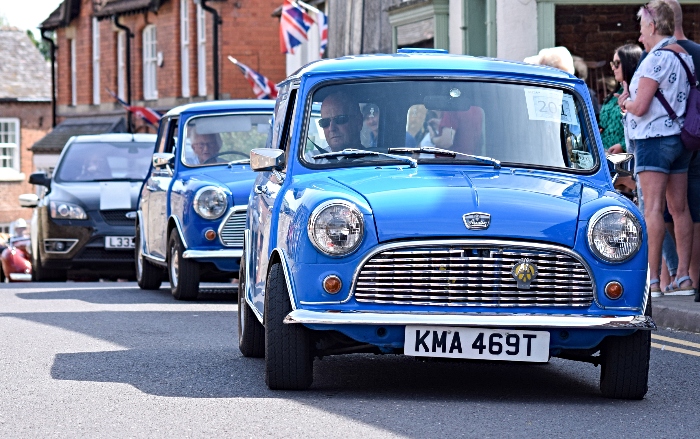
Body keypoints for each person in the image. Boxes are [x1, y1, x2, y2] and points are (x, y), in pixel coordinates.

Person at [618, 0, 695, 297]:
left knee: (652, 210)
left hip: (653, 141)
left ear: (652, 26)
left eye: (641, 28)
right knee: (680, 209)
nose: (639, 36)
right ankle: (684, 278)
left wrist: (625, 102)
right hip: (680, 139)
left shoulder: (654, 59)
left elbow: (640, 106)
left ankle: (652, 283)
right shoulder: (684, 55)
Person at [659, 0, 700, 301]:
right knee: (689, 210)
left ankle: (673, 277)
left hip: (668, 139)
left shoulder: (660, 56)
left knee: (664, 210)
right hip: (695, 137)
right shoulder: (697, 53)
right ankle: (689, 278)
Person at [602, 44, 643, 154]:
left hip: (626, 158)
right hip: (604, 154)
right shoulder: (617, 92)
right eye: (612, 63)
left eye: (616, 64)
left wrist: (623, 145)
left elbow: (643, 125)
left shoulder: (640, 92)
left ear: (629, 64)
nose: (613, 67)